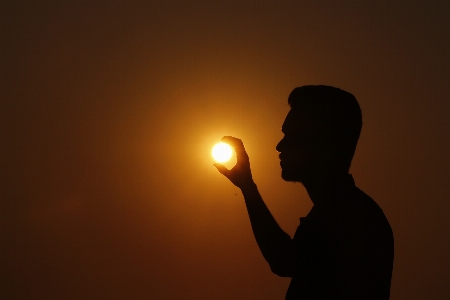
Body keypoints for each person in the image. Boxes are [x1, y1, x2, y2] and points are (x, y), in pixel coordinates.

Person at [214, 85, 394, 299]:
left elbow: (284, 260)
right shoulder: (342, 211)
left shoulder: (352, 218)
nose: (280, 146)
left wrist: (248, 187)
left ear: (322, 142)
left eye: (292, 136)